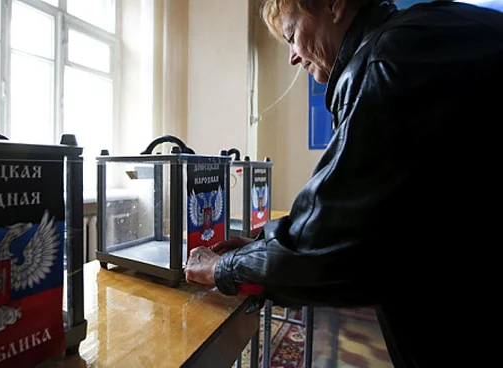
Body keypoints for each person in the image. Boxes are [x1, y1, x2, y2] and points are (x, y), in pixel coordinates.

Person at [184, 0, 503, 367]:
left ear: (334, 5)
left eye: (292, 35)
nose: (292, 56)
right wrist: (261, 246)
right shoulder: (424, 33)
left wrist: (224, 267)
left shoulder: (387, 60)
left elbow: (332, 244)